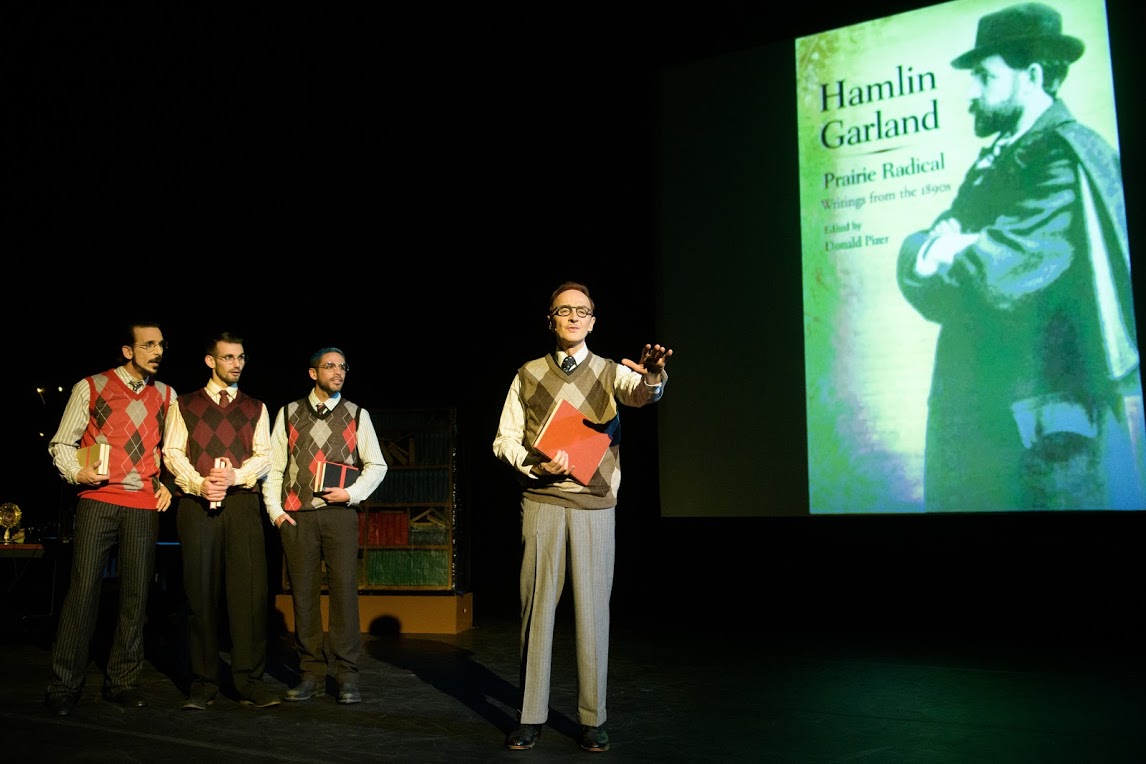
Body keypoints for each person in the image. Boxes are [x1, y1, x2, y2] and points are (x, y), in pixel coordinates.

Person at [896, 2, 1145, 511]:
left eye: (985, 76)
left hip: (1044, 420)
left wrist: (954, 246)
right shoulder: (997, 159)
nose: (972, 91)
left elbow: (1005, 268)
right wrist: (937, 251)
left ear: (1031, 76)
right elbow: (930, 260)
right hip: (974, 415)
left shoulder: (1063, 155)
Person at [492, 281, 673, 752]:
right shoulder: (528, 373)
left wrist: (653, 377)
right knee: (537, 612)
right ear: (549, 319)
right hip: (543, 502)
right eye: (563, 310)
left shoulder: (613, 372)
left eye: (582, 311)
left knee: (593, 612)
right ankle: (530, 714)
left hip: (595, 504)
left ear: (593, 320)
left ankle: (592, 718)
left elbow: (642, 394)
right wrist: (533, 464)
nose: (573, 317)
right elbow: (504, 439)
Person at [43, 321, 177, 715]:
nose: (158, 351)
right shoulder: (93, 386)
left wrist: (169, 482)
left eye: (161, 344)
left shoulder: (167, 395)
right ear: (127, 350)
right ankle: (63, 686)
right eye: (148, 345)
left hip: (142, 506)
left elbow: (172, 451)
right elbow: (62, 442)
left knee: (136, 595)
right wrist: (77, 472)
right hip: (98, 500)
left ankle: (121, 681)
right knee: (83, 590)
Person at [262, 347, 387, 705]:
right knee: (303, 596)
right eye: (330, 366)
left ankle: (347, 677)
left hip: (339, 516)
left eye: (343, 367)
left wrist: (350, 494)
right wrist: (275, 511)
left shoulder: (356, 414)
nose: (338, 372)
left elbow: (376, 465)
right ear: (312, 373)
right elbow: (275, 467)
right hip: (298, 516)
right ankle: (310, 674)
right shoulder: (288, 413)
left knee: (345, 594)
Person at [163, 331, 279, 710]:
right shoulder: (184, 404)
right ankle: (204, 681)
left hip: (243, 506)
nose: (237, 364)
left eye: (241, 357)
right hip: (197, 509)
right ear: (210, 361)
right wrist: (200, 484)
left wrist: (235, 477)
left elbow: (265, 456)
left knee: (249, 596)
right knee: (200, 594)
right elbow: (172, 452)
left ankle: (249, 681)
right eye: (229, 357)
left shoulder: (256, 407)